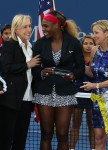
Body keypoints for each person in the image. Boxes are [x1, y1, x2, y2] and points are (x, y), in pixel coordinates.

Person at [32, 10, 85, 150]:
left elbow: (80, 69)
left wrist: (73, 76)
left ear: (57, 25)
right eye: (42, 26)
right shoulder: (39, 44)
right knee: (46, 133)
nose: (43, 29)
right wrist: (42, 72)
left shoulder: (73, 43)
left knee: (62, 134)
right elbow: (34, 70)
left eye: (46, 26)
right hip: (44, 93)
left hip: (65, 93)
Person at [80, 20, 108, 150]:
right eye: (93, 32)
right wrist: (77, 64)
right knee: (99, 138)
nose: (94, 35)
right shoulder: (94, 50)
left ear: (106, 33)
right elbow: (92, 73)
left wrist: (93, 86)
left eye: (96, 32)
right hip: (98, 99)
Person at [0, 14, 40, 150]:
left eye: (29, 26)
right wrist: (28, 64)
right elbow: (6, 68)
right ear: (16, 29)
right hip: (11, 101)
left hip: (27, 101)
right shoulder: (9, 45)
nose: (29, 29)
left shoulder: (31, 47)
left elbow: (32, 74)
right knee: (5, 140)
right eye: (25, 27)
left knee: (20, 140)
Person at [70, 35, 95, 150]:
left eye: (91, 43)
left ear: (94, 45)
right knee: (76, 124)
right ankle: (71, 149)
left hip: (93, 94)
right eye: (86, 43)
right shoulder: (76, 58)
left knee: (92, 125)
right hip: (78, 93)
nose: (88, 46)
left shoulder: (97, 58)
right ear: (82, 45)